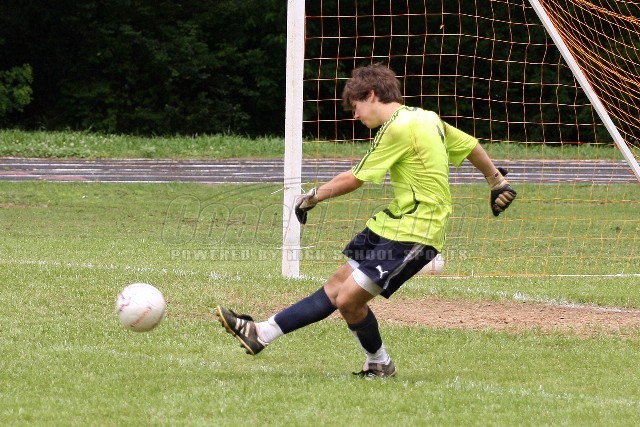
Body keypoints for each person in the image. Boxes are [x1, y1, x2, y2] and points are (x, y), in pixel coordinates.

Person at [215, 63, 516, 378]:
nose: (355, 114)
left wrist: (313, 197)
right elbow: (469, 145)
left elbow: (354, 178)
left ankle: (378, 362)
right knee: (337, 286)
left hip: (417, 231)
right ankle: (261, 332)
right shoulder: (426, 117)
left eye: (356, 105)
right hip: (393, 223)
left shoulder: (397, 128)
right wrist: (496, 180)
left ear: (371, 95)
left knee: (347, 299)